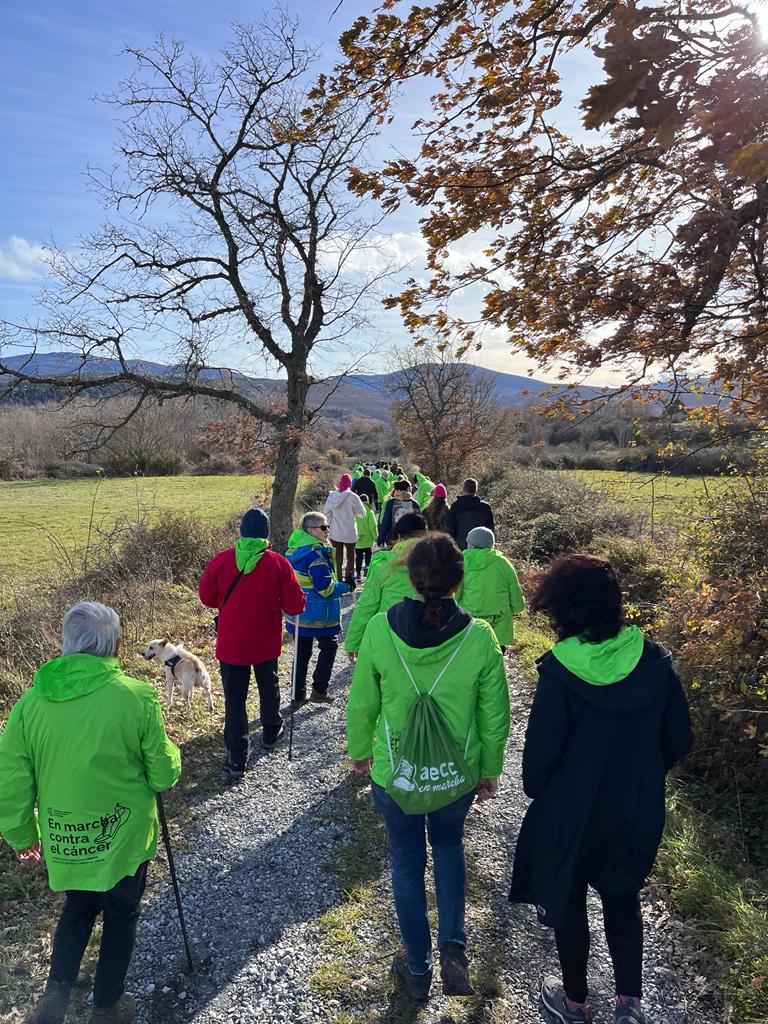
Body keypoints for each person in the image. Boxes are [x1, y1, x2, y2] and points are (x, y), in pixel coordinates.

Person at [509, 554, 694, 1024]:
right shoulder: (655, 661)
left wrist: (543, 791)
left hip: (569, 812)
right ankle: (629, 1004)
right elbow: (679, 739)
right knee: (622, 896)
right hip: (634, 806)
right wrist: (644, 776)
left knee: (568, 900)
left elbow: (539, 759)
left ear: (562, 610)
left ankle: (574, 1002)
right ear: (615, 603)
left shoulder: (559, 670)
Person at [346, 534, 510, 1002]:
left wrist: (359, 752)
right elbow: (494, 714)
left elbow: (362, 705)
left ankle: (417, 969)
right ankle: (453, 945)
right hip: (455, 776)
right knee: (449, 847)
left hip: (395, 775)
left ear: (410, 578)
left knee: (405, 862)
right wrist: (489, 768)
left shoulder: (380, 629)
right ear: (459, 581)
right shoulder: (479, 636)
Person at [0, 602, 181, 1024]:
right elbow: (162, 773)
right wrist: (171, 757)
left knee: (78, 909)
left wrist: (22, 833)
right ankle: (106, 1007)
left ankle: (54, 1000)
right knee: (121, 915)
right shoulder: (136, 697)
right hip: (124, 841)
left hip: (67, 839)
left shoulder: (29, 705)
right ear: (115, 645)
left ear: (65, 644)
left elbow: (11, 778)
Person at [199, 507, 306, 780]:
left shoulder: (221, 561)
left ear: (242, 532)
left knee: (235, 700)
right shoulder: (279, 563)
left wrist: (227, 604)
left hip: (232, 642)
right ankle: (271, 732)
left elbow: (206, 596)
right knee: (268, 686)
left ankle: (237, 758)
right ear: (266, 533)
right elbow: (294, 605)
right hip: (265, 641)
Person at [285, 511, 351, 707]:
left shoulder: (292, 550)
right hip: (319, 614)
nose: (327, 530)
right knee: (329, 647)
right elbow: (326, 588)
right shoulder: (316, 554)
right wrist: (347, 587)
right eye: (324, 527)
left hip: (297, 614)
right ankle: (319, 690)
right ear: (311, 530)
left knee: (302, 653)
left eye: (327, 526)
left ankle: (297, 696)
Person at [345, 512, 427, 659]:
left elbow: (367, 605)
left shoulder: (383, 564)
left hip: (390, 632)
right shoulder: (439, 561)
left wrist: (354, 642)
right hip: (427, 633)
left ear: (399, 536)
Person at [457, 527, 525, 652]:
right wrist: (518, 608)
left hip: (470, 624)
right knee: (495, 661)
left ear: (470, 544)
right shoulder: (503, 563)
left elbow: (456, 593)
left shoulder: (461, 563)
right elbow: (514, 592)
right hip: (498, 627)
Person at [324, 474, 366, 588]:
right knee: (351, 556)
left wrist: (332, 520)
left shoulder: (332, 496)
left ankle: (338, 582)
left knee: (337, 558)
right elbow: (362, 514)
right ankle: (349, 582)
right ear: (350, 484)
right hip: (349, 532)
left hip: (335, 532)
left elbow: (326, 513)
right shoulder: (353, 497)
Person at [445, 479, 495, 550]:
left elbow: (449, 529)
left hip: (460, 549)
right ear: (476, 490)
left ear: (463, 489)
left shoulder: (455, 507)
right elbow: (490, 530)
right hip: (481, 549)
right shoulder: (485, 508)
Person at [377, 479, 421, 547]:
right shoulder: (414, 504)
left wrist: (380, 539)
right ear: (408, 489)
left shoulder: (391, 503)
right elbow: (418, 524)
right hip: (409, 540)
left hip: (392, 539)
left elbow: (385, 522)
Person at [355, 494, 378, 582]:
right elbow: (373, 526)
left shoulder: (354, 512)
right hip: (368, 539)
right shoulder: (369, 512)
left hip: (358, 539)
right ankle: (367, 572)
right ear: (367, 501)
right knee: (368, 556)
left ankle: (357, 574)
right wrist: (375, 537)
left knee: (358, 557)